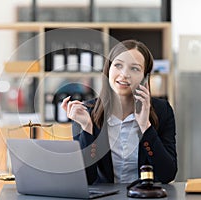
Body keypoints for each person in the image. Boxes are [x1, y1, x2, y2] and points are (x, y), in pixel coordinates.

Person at [61, 39, 177, 185]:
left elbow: (167, 174)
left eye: (134, 68)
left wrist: (145, 126)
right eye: (118, 65)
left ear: (145, 77)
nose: (124, 74)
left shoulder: (162, 111)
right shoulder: (86, 112)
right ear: (108, 69)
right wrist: (87, 129)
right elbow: (86, 179)